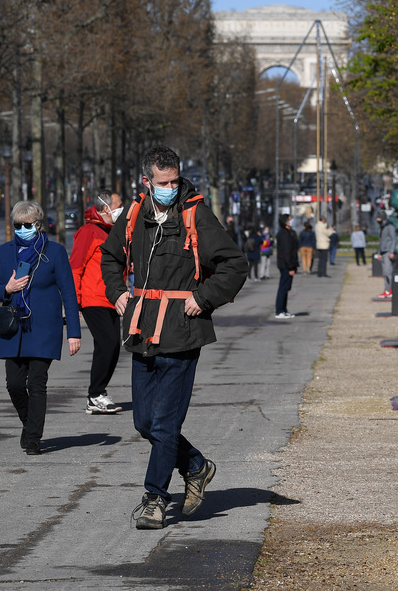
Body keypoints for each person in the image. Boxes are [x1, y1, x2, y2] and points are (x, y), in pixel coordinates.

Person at [100, 145, 248, 530]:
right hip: (141, 329)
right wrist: (116, 292)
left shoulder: (195, 213)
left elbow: (234, 264)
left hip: (182, 332)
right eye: (162, 182)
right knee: (145, 423)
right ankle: (196, 466)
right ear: (146, 181)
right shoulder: (133, 214)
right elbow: (111, 257)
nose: (169, 187)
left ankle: (154, 498)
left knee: (165, 423)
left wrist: (203, 298)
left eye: (174, 181)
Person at [0, 200, 82, 455]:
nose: (21, 229)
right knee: (14, 385)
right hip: (13, 330)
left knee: (37, 384)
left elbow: (69, 294)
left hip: (44, 329)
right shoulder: (6, 251)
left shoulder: (55, 252)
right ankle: (29, 423)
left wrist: (73, 332)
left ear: (38, 225)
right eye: (17, 225)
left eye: (27, 225)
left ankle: (33, 438)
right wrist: (7, 289)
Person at [70, 190, 124, 415]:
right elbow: (75, 267)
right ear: (105, 208)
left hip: (112, 299)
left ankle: (98, 393)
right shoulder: (88, 232)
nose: (122, 209)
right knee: (107, 342)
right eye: (119, 205)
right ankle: (95, 394)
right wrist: (75, 303)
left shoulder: (113, 233)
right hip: (93, 298)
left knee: (114, 346)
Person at [275, 213, 299, 319]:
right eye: (290, 219)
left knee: (286, 288)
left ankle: (284, 309)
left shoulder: (289, 232)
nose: (292, 220)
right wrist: (290, 267)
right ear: (285, 222)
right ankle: (279, 310)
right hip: (285, 264)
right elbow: (286, 252)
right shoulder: (284, 234)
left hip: (288, 264)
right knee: (283, 288)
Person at [376, 213, 397, 299]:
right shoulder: (382, 227)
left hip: (388, 251)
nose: (377, 220)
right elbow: (381, 241)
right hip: (383, 251)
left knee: (388, 272)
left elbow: (393, 239)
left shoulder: (389, 227)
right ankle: (387, 289)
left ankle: (390, 290)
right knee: (385, 272)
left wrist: (391, 251)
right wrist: (379, 253)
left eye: (378, 218)